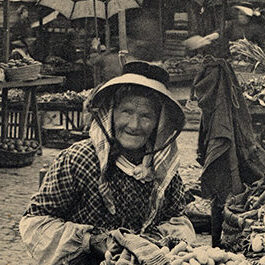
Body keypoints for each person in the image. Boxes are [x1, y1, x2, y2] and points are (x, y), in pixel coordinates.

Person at [19, 61, 196, 265]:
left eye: (146, 116)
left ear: (159, 122)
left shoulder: (163, 169)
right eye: (126, 112)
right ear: (111, 113)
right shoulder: (78, 159)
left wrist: (147, 243)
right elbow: (36, 221)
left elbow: (178, 221)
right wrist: (92, 241)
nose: (134, 125)